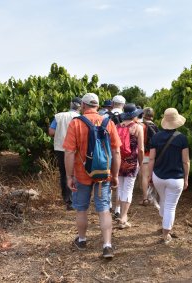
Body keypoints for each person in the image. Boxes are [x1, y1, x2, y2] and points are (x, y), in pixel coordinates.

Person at [63, 93, 121, 259]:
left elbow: (69, 152)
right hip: (103, 175)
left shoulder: (76, 123)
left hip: (82, 175)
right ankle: (107, 246)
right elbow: (116, 151)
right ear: (97, 105)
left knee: (81, 208)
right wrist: (115, 175)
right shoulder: (108, 122)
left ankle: (81, 240)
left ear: (83, 105)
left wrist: (69, 176)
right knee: (103, 209)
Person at [148, 108, 190, 245]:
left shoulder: (156, 137)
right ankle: (166, 234)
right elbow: (185, 161)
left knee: (164, 201)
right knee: (170, 206)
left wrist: (149, 176)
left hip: (159, 176)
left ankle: (164, 227)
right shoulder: (182, 138)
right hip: (176, 178)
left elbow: (152, 159)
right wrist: (187, 178)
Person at [48, 97, 81, 210]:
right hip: (76, 150)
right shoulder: (80, 118)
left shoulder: (59, 116)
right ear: (80, 106)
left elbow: (51, 132)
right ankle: (77, 199)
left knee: (64, 174)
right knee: (77, 173)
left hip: (60, 149)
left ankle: (67, 200)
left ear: (70, 104)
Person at [116, 104, 144, 229]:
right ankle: (123, 218)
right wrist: (141, 163)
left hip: (118, 161)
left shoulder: (117, 126)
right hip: (131, 161)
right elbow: (141, 149)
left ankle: (121, 215)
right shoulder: (137, 127)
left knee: (120, 188)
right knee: (128, 189)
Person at [104, 94, 126, 218]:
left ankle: (108, 206)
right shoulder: (126, 118)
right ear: (123, 105)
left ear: (112, 104)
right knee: (119, 180)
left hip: (107, 151)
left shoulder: (105, 117)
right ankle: (117, 209)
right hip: (121, 151)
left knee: (108, 177)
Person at [139, 107, 158, 206]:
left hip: (145, 154)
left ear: (143, 114)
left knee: (145, 177)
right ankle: (153, 196)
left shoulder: (141, 126)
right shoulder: (155, 126)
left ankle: (145, 199)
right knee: (153, 175)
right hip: (154, 153)